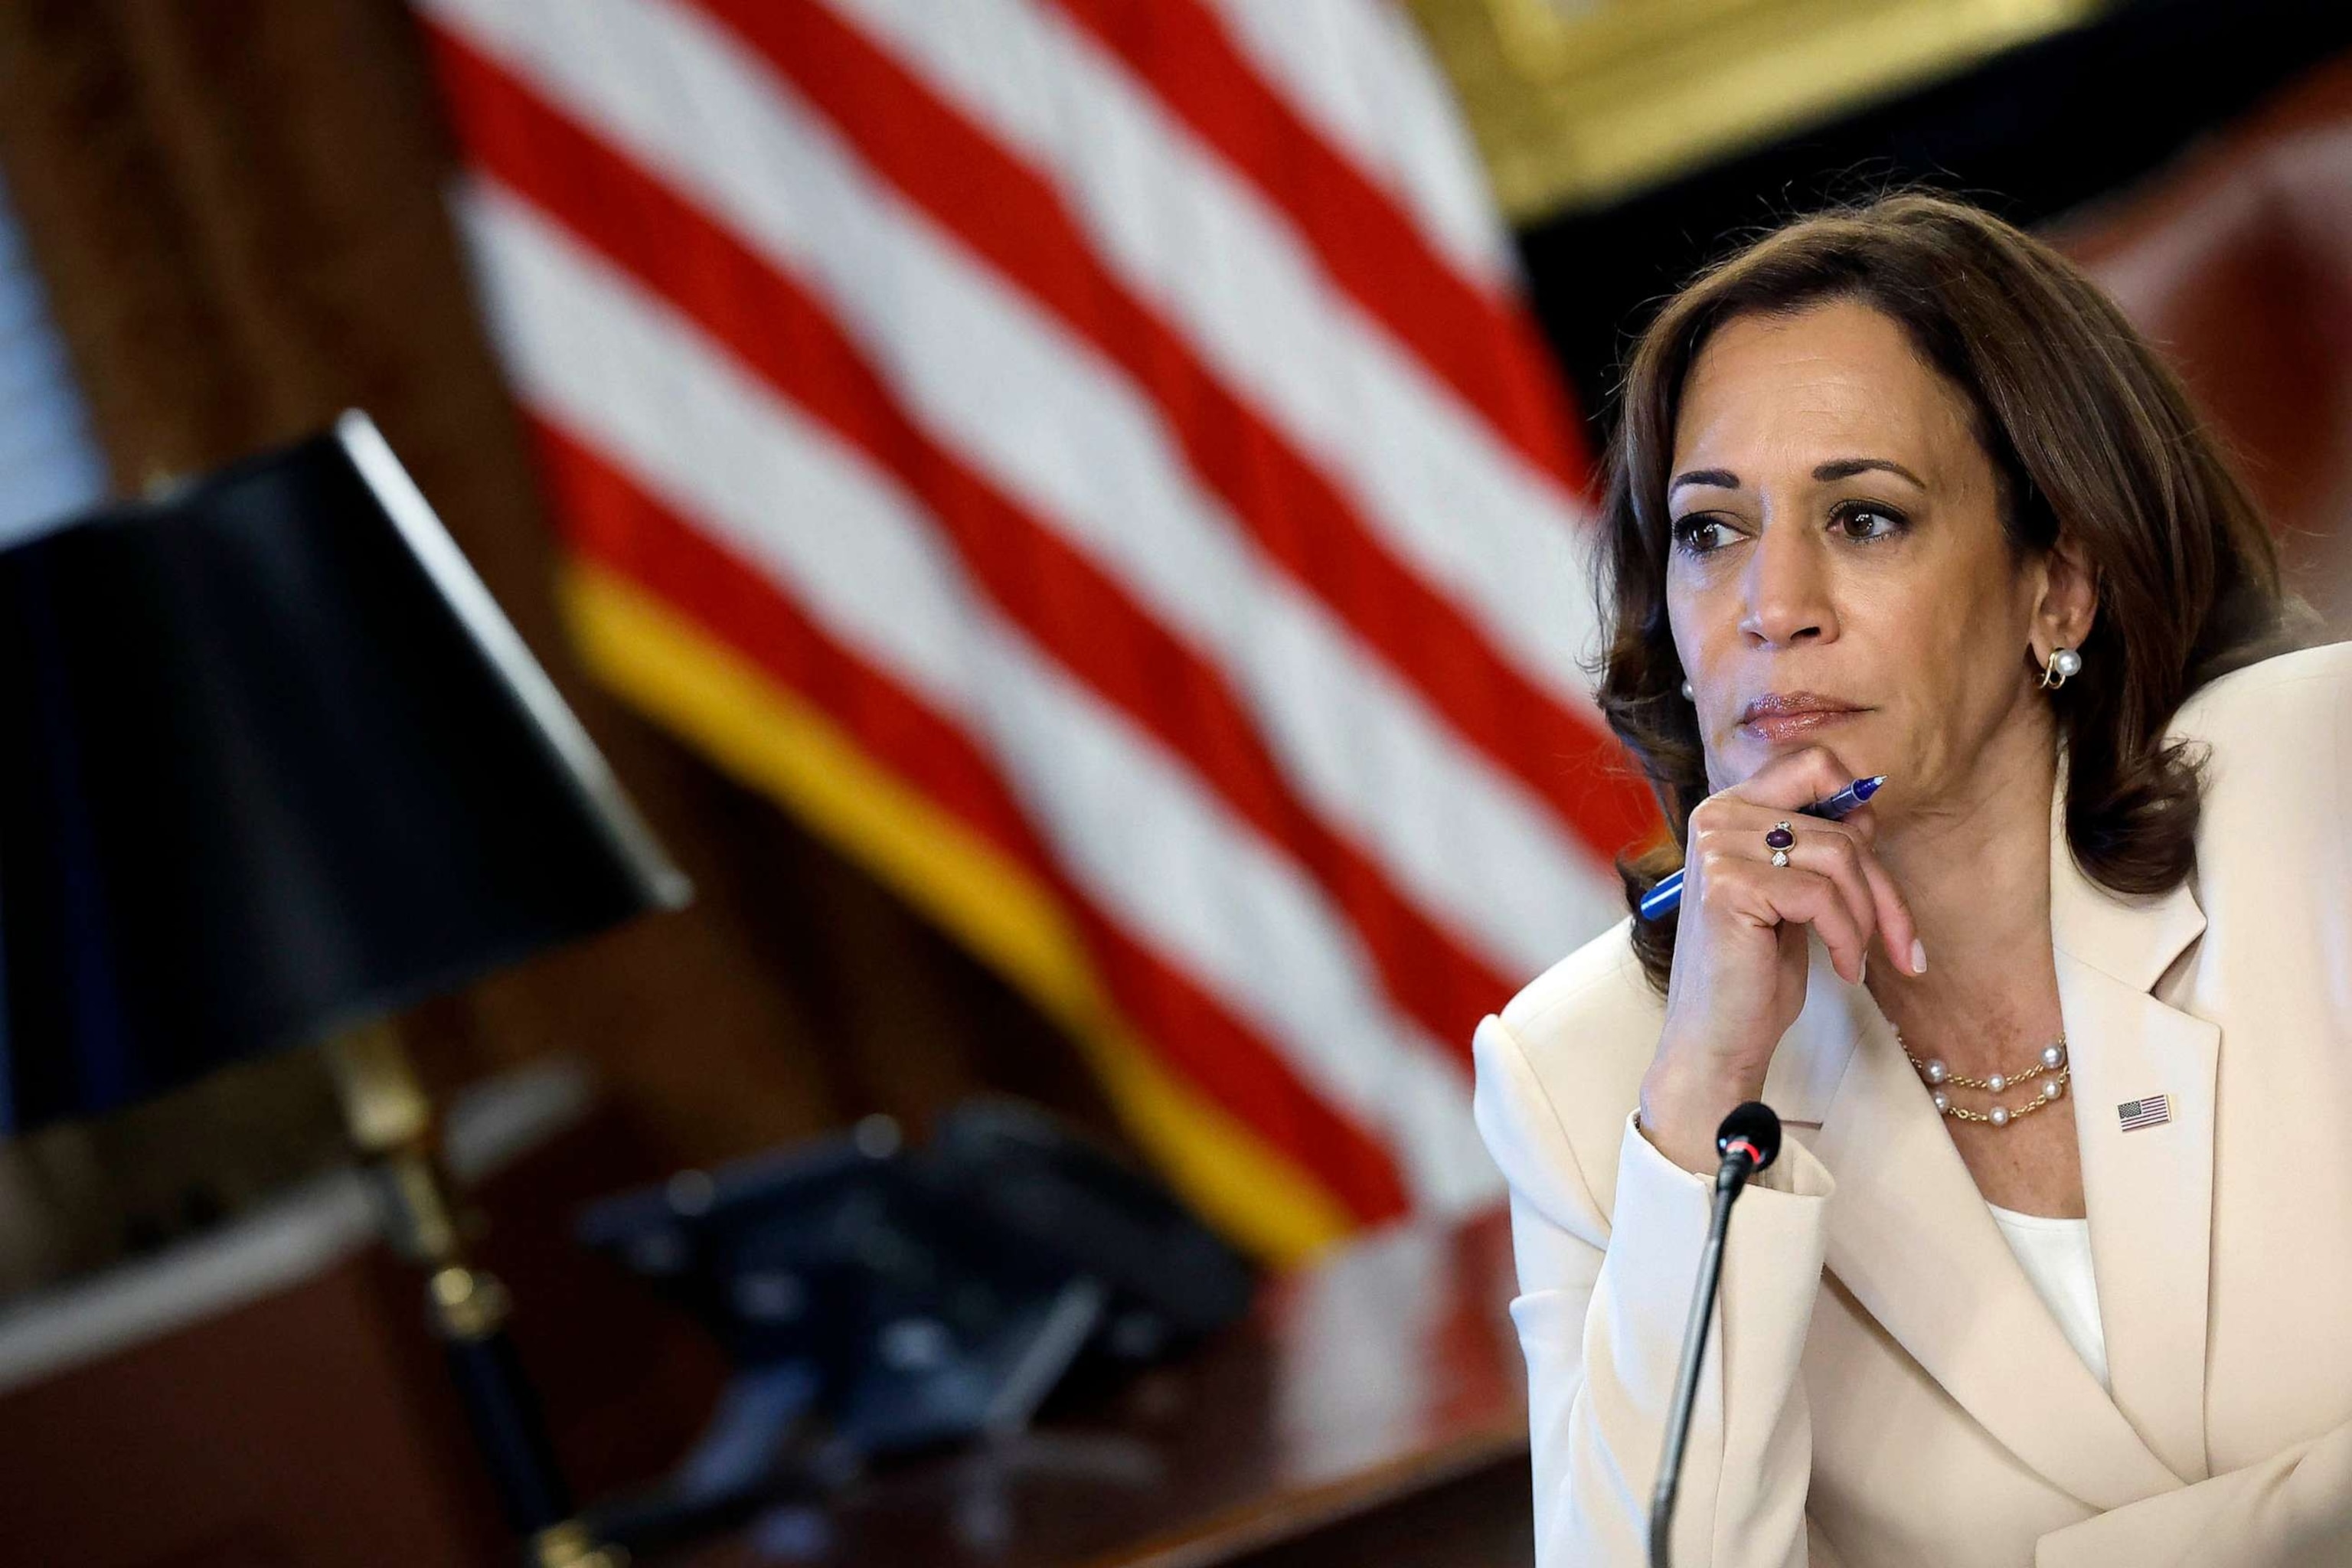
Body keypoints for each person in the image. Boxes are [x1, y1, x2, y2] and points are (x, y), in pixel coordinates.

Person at [1472, 191, 2352, 1566]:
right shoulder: (1590, 1079)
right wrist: (1706, 1101)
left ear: (2057, 582)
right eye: (1710, 531)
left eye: (1866, 518)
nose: (1774, 604)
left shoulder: (2318, 791)